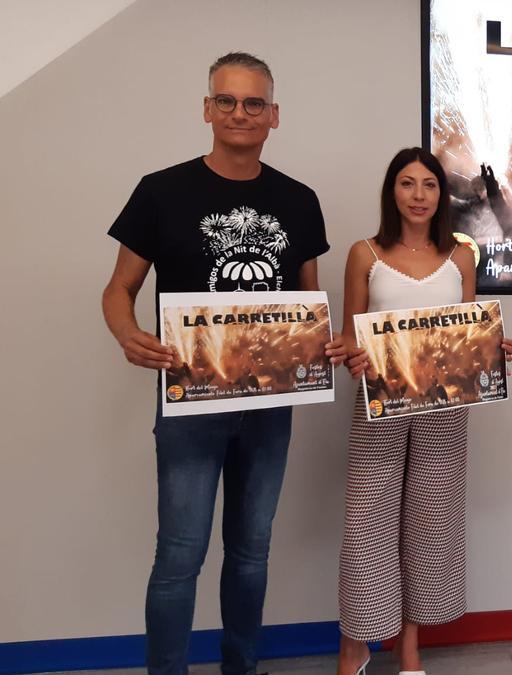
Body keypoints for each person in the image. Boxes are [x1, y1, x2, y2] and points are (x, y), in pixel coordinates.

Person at [101, 52, 345, 674]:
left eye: (254, 103)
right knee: (179, 553)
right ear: (207, 109)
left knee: (251, 551)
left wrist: (329, 343)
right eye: (228, 101)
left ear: (274, 116)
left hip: (270, 405)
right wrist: (128, 334)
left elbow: (306, 301)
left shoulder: (299, 200)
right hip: (191, 407)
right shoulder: (160, 191)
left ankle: (242, 667)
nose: (241, 113)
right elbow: (118, 288)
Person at [336, 147, 512, 675]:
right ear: (392, 191)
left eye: (429, 185)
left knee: (430, 522)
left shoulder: (461, 256)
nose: (419, 195)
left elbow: (468, 335)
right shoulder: (364, 253)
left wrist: (493, 349)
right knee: (367, 522)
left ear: (442, 194)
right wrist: (351, 355)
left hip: (444, 407)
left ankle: (408, 645)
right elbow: (350, 336)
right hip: (380, 403)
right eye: (408, 184)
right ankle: (357, 643)